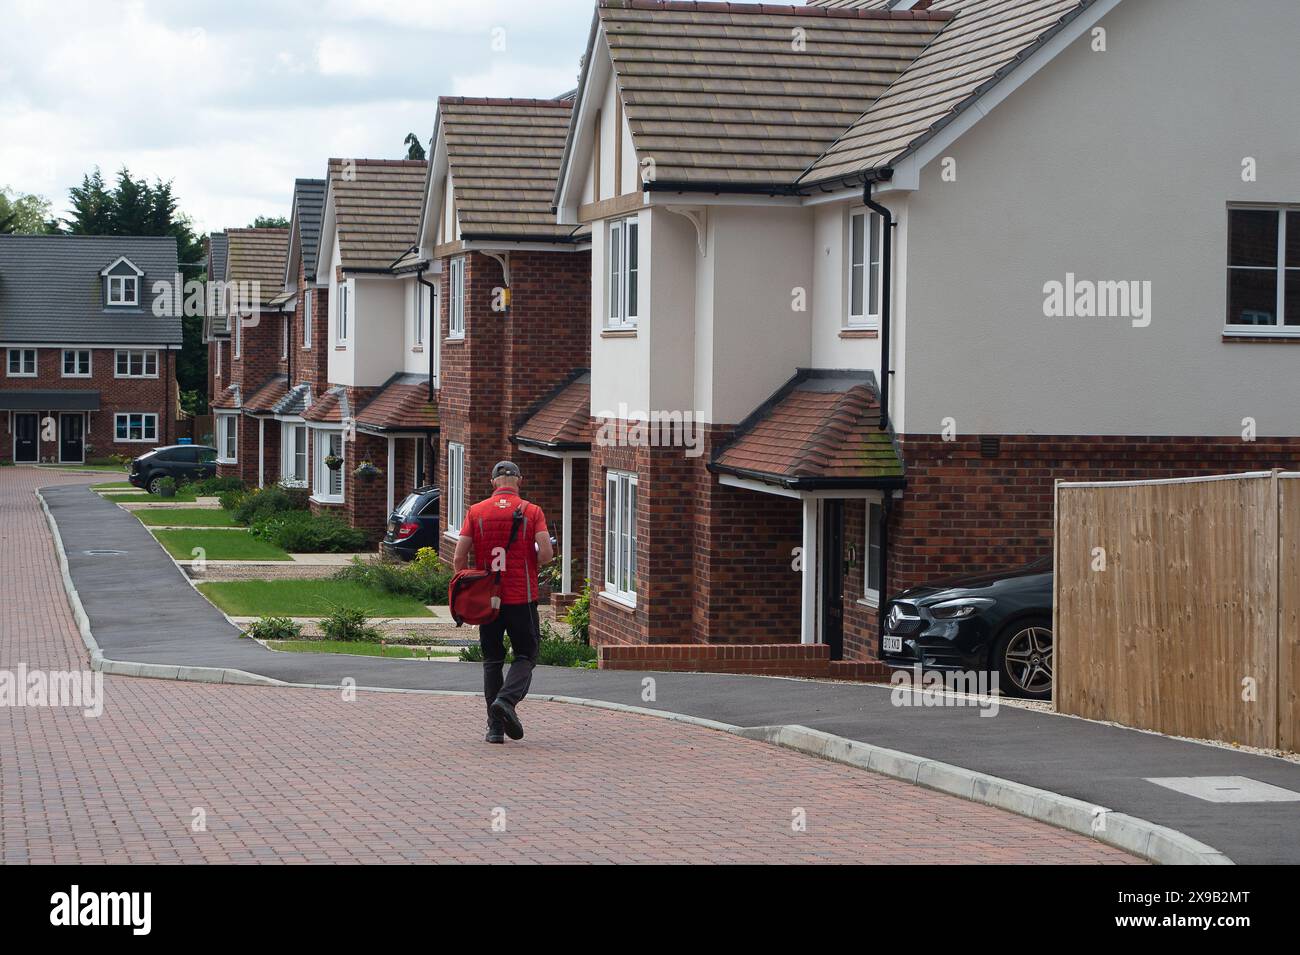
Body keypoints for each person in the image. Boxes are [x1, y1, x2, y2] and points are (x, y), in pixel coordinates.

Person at [454, 460, 553, 744]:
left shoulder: (476, 511)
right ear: (519, 481)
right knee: (526, 654)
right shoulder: (532, 512)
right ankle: (507, 701)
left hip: (489, 600)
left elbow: (460, 556)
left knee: (492, 660)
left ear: (493, 482)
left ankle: (494, 729)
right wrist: (527, 559)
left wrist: (465, 584)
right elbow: (545, 554)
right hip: (522, 598)